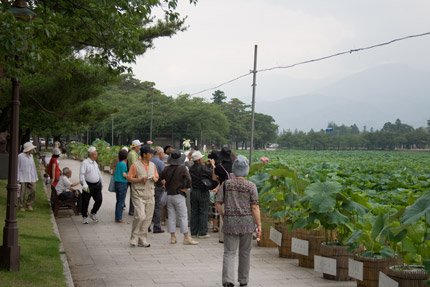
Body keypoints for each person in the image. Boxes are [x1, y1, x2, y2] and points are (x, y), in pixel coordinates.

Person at [215, 155, 261, 287]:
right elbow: (255, 206)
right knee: (245, 252)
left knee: (229, 252)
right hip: (247, 224)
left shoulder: (226, 184)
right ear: (246, 169)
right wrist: (259, 225)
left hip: (230, 223)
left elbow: (217, 203)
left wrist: (224, 216)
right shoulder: (251, 186)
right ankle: (243, 280)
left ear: (234, 169)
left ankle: (228, 280)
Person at [159, 150, 198, 245]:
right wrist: (186, 188)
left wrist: (164, 185)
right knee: (183, 216)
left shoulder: (166, 169)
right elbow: (189, 179)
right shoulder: (183, 168)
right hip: (179, 194)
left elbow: (159, 178)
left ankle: (173, 237)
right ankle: (186, 237)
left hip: (169, 194)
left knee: (171, 216)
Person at [127, 145, 158, 247]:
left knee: (148, 218)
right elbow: (129, 178)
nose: (152, 155)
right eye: (150, 153)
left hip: (150, 194)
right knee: (140, 216)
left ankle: (142, 239)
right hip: (138, 194)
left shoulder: (153, 165)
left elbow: (157, 177)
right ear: (144, 154)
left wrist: (154, 178)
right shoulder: (135, 165)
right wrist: (140, 179)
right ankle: (133, 237)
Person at [188, 150, 215, 239]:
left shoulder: (191, 168)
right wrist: (212, 165)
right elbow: (211, 174)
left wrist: (206, 165)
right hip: (202, 192)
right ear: (200, 160)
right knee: (203, 211)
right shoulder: (203, 168)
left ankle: (193, 232)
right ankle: (202, 233)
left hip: (193, 191)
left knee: (194, 211)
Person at [79, 146, 103, 224]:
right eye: (96, 153)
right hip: (88, 185)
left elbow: (98, 172)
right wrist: (84, 184)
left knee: (99, 200)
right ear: (93, 154)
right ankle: (84, 216)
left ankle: (93, 213)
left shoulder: (95, 163)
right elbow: (82, 175)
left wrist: (101, 181)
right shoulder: (85, 163)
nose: (97, 154)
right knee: (86, 201)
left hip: (96, 185)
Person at [17, 142, 38, 211]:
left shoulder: (31, 156)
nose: (32, 149)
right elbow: (17, 167)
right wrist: (17, 178)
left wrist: (35, 176)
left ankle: (28, 204)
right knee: (22, 193)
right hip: (22, 176)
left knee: (33, 190)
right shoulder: (20, 156)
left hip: (31, 176)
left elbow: (33, 167)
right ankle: (21, 205)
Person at [151, 146, 165, 233]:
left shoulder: (149, 161)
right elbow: (164, 176)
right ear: (160, 153)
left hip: (148, 186)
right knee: (157, 206)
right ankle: (156, 226)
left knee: (149, 206)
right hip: (158, 186)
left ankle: (147, 226)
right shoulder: (160, 163)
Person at [127, 139, 142, 216]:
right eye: (139, 146)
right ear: (136, 146)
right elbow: (134, 166)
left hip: (132, 175)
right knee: (134, 193)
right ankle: (132, 210)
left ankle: (132, 209)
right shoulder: (133, 154)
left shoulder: (133, 153)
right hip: (134, 176)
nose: (140, 147)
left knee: (133, 193)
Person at [114, 149, 128, 223]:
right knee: (121, 201)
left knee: (118, 200)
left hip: (117, 183)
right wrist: (129, 175)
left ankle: (117, 216)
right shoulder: (123, 164)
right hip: (122, 183)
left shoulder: (119, 163)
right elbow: (124, 174)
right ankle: (119, 217)